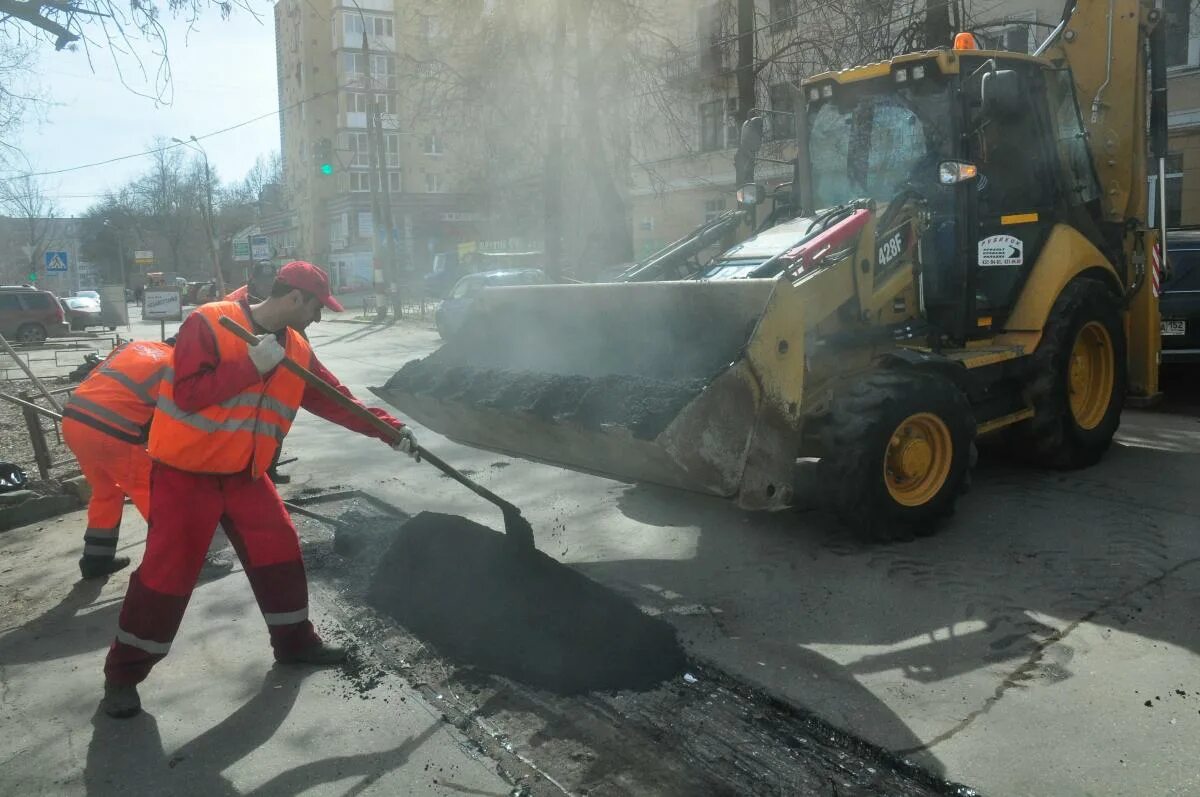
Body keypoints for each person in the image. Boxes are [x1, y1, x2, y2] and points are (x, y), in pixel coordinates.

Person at [101, 261, 418, 719]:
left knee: (280, 550)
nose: (318, 318)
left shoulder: (297, 347)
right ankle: (123, 674)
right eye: (316, 308)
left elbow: (335, 398)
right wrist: (250, 366)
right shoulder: (208, 321)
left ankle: (295, 644)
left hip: (245, 475)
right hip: (185, 475)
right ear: (294, 299)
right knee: (167, 575)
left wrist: (390, 430)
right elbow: (188, 394)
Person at [62, 340, 172, 579]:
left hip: (74, 421)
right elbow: (169, 414)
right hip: (112, 431)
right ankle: (177, 558)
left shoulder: (132, 346)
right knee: (151, 491)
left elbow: (97, 376)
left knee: (105, 491)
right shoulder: (174, 363)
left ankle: (96, 560)